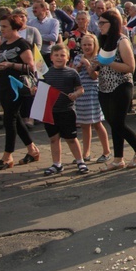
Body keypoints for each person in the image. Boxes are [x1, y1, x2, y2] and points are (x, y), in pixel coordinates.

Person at [97, 9, 136, 171]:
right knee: (112, 123)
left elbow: (130, 67)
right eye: (99, 22)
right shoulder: (104, 40)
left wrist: (108, 62)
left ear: (112, 24)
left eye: (102, 23)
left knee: (119, 123)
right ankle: (118, 158)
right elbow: (101, 64)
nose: (99, 26)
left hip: (121, 86)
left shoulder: (122, 40)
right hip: (104, 87)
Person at [0, 14, 41, 171]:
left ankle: (7, 156)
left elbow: (31, 67)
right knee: (15, 118)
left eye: (5, 26)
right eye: (1, 26)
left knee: (9, 119)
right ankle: (32, 150)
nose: (2, 29)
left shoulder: (22, 44)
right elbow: (0, 63)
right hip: (4, 85)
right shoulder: (4, 44)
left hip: (17, 87)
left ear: (14, 27)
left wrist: (11, 65)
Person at [40, 43, 88, 175]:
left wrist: (76, 95)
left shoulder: (72, 72)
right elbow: (41, 91)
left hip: (67, 111)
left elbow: (81, 89)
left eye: (62, 55)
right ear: (51, 57)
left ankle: (80, 161)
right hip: (50, 112)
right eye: (56, 55)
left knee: (71, 138)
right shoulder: (45, 73)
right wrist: (35, 90)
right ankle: (57, 164)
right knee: (54, 139)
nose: (59, 58)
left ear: (67, 58)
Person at [72, 32, 111, 163]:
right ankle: (85, 153)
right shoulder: (77, 57)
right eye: (84, 45)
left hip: (93, 93)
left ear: (94, 45)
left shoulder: (97, 58)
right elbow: (72, 75)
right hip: (81, 95)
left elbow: (94, 76)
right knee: (84, 125)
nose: (87, 47)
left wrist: (87, 64)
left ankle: (106, 151)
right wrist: (77, 67)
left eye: (89, 44)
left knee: (97, 123)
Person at [29, 1, 60, 67]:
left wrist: (37, 37)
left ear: (44, 9)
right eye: (33, 8)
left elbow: (54, 37)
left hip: (48, 55)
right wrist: (45, 39)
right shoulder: (30, 23)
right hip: (35, 55)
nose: (33, 10)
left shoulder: (53, 22)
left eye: (36, 8)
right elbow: (28, 38)